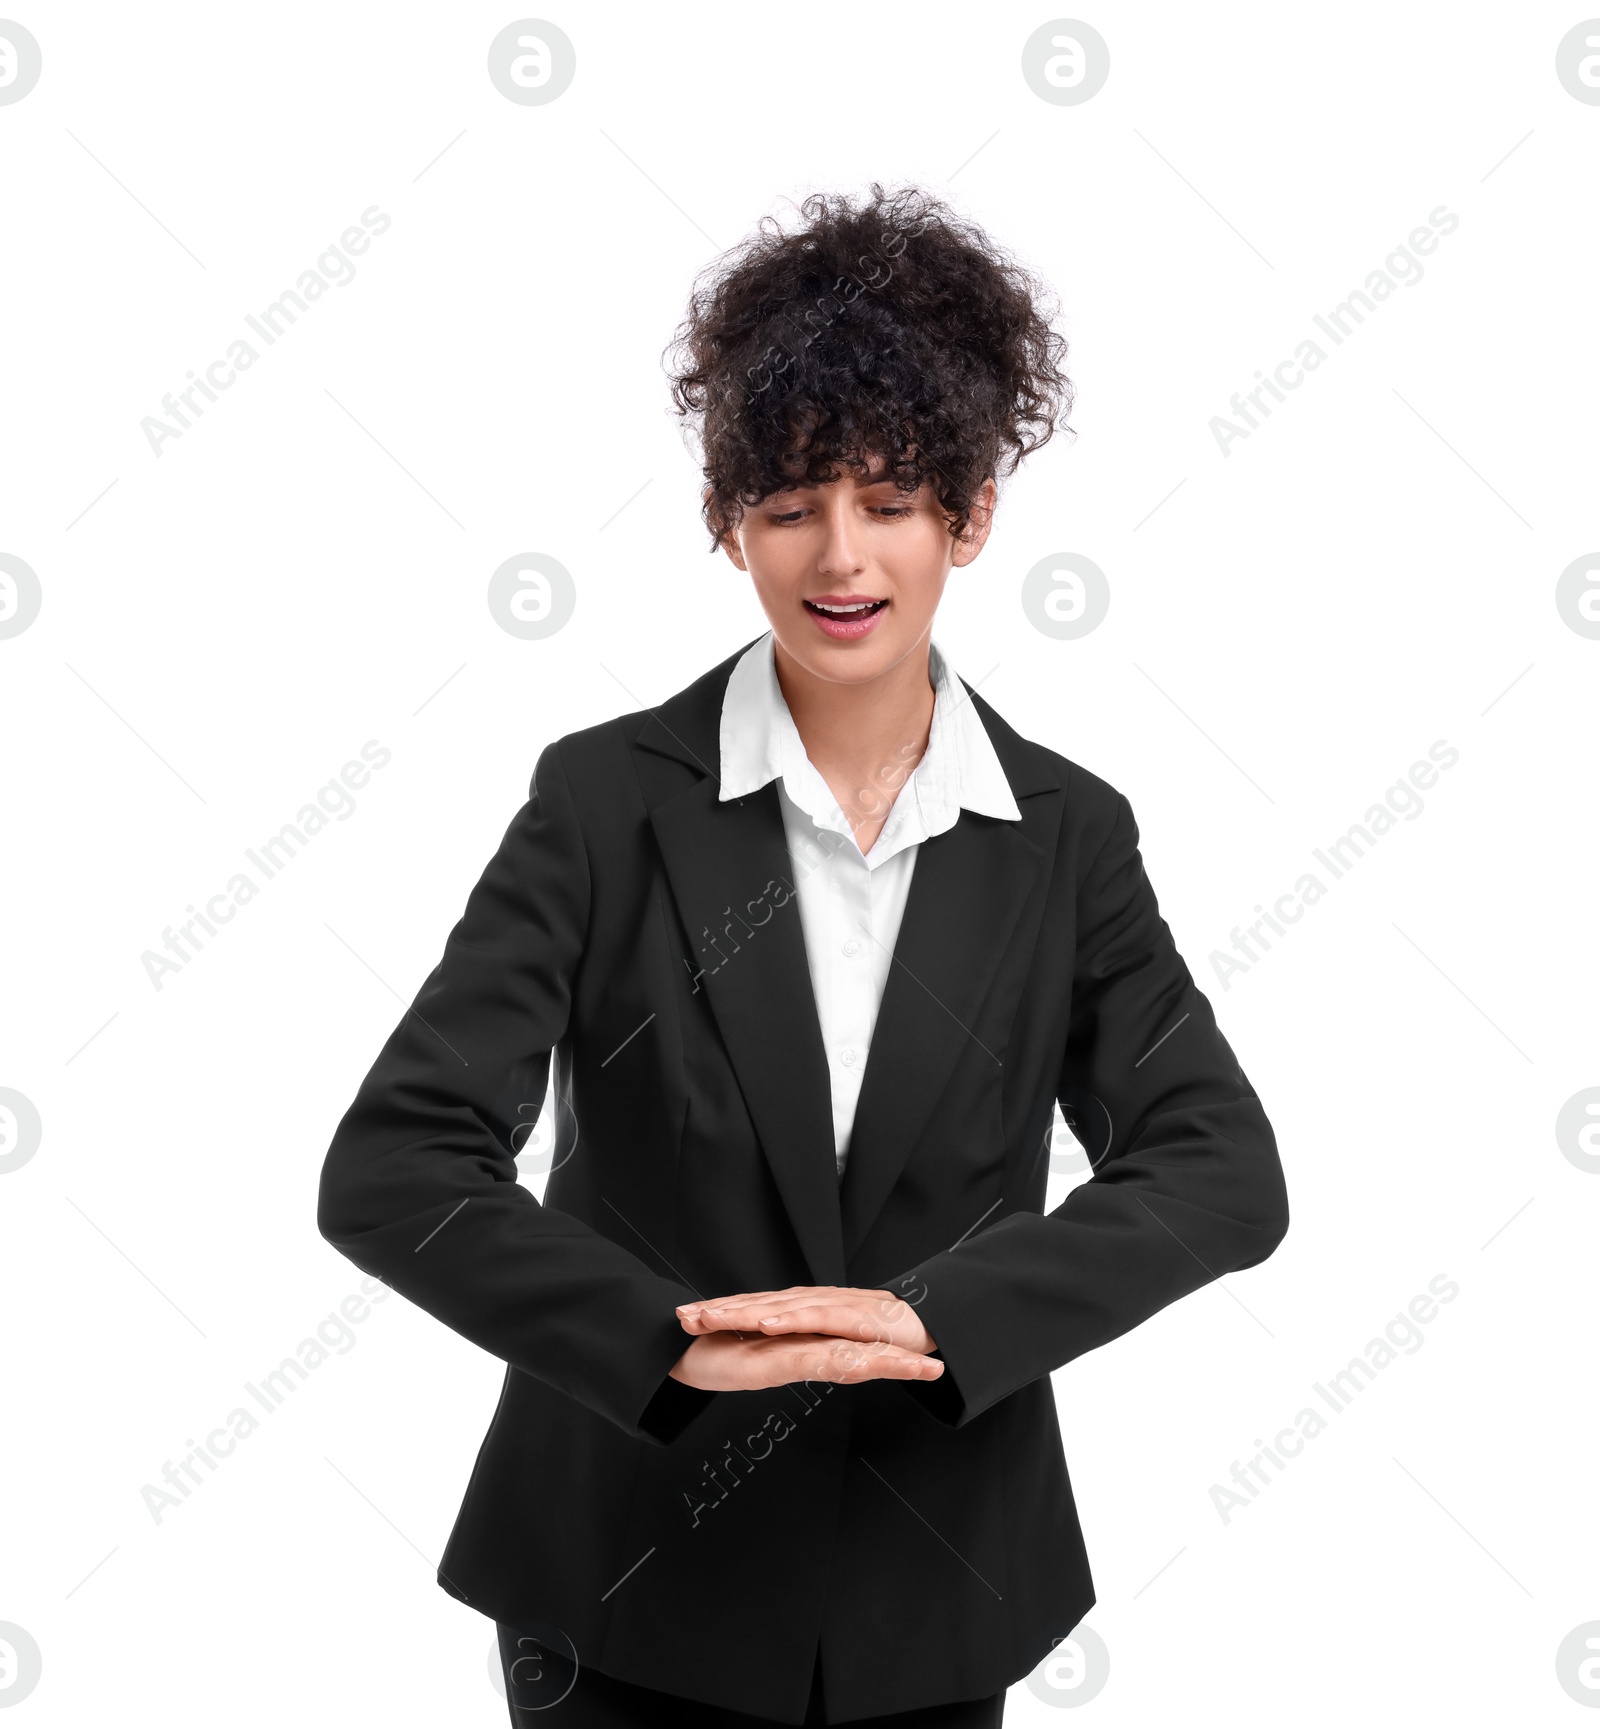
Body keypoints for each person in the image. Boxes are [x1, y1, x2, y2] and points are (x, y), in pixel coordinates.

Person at [316, 182, 1290, 1727]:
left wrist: (940, 1321)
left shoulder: (1067, 836)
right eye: (788, 503)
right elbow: (395, 1165)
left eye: (894, 498)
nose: (843, 555)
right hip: (621, 1581)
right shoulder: (602, 801)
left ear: (970, 515)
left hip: (937, 1596)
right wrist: (660, 1349)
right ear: (728, 524)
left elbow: (1220, 1168)